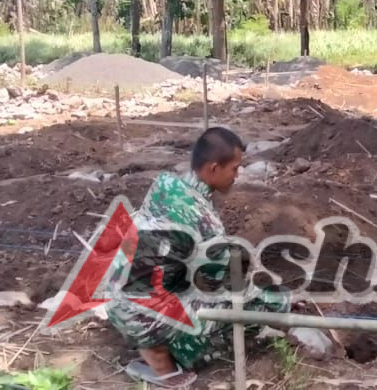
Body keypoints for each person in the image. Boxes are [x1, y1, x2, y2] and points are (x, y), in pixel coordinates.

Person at [106, 127, 288, 387]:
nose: (238, 175)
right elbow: (220, 286)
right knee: (253, 308)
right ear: (214, 168)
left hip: (115, 296)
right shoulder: (204, 219)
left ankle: (153, 337)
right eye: (235, 168)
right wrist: (279, 302)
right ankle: (164, 357)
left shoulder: (166, 183)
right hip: (141, 315)